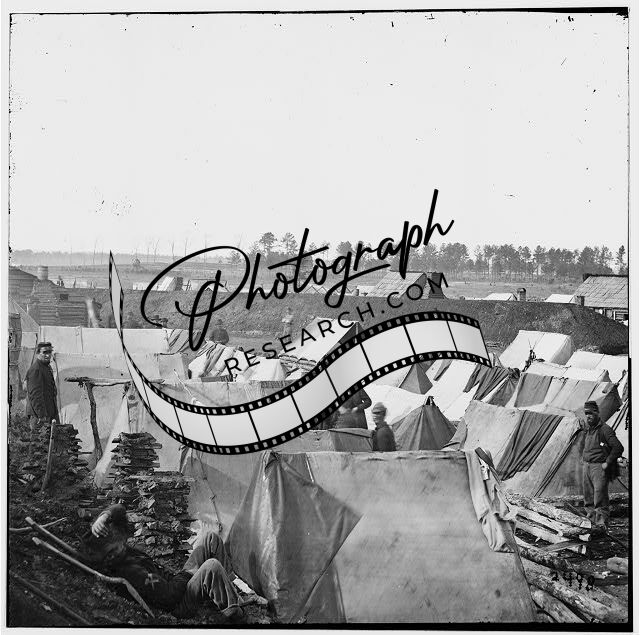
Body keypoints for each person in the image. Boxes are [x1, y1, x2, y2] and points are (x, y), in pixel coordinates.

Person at [83, 504, 243, 621]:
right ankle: (235, 613)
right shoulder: (132, 572)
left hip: (177, 583)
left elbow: (119, 509)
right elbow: (169, 597)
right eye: (117, 540)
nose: (123, 539)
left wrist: (103, 517)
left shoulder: (120, 552)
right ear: (110, 551)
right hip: (180, 604)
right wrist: (188, 573)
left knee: (210, 539)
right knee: (211, 566)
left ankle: (231, 592)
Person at [581, 400, 623, 530]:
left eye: (590, 413)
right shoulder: (588, 429)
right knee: (588, 498)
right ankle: (590, 525)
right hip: (587, 466)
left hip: (598, 467)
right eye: (586, 413)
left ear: (597, 413)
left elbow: (618, 447)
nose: (588, 416)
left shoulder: (605, 429)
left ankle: (601, 527)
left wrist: (607, 462)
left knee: (600, 498)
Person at [25, 342, 59, 439]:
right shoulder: (36, 369)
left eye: (50, 352)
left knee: (50, 443)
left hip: (49, 414)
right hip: (39, 416)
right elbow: (35, 395)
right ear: (38, 353)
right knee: (39, 444)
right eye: (45, 352)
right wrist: (42, 416)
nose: (48, 355)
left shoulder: (46, 367)